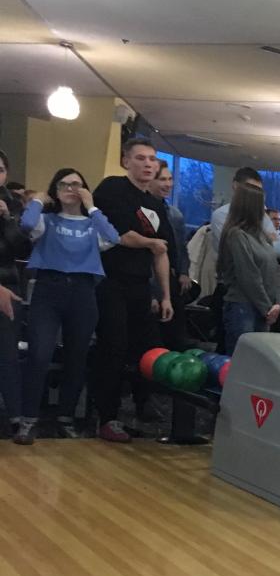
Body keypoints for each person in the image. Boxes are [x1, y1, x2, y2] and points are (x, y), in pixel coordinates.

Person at [11, 169, 120, 444]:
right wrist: (38, 199)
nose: (71, 189)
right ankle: (28, 419)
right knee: (39, 354)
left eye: (77, 184)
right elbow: (26, 225)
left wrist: (92, 206)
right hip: (48, 290)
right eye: (64, 184)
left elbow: (113, 237)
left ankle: (66, 418)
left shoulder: (92, 225)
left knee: (77, 357)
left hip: (83, 292)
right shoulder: (46, 221)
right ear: (55, 189)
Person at [92, 138, 174, 443]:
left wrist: (165, 295)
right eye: (141, 158)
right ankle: (107, 416)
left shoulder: (156, 205)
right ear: (126, 161)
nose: (148, 164)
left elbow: (161, 252)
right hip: (110, 280)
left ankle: (143, 404)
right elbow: (120, 235)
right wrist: (150, 243)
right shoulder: (113, 188)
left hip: (141, 285)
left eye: (152, 159)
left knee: (148, 347)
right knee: (113, 346)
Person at [217, 183, 280, 355]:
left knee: (259, 362)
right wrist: (267, 308)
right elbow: (248, 275)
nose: (265, 209)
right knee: (242, 362)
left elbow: (275, 270)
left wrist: (278, 302)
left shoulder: (261, 236)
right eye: (262, 204)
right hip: (243, 307)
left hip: (264, 309)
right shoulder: (236, 235)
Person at [148, 162, 194, 349]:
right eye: (162, 179)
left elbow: (181, 247)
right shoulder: (143, 213)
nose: (168, 184)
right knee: (153, 338)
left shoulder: (175, 215)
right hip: (150, 280)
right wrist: (151, 293)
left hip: (172, 279)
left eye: (170, 179)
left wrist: (184, 272)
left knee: (176, 337)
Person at [0, 148, 31, 431]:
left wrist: (7, 218)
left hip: (8, 283)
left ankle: (14, 415)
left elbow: (23, 249)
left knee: (7, 351)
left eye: (0, 170)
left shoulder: (14, 205)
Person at [210, 168, 280, 258]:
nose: (256, 196)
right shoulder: (221, 215)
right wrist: (266, 238)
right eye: (251, 189)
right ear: (235, 186)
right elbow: (237, 251)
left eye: (259, 191)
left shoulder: (262, 215)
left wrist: (252, 242)